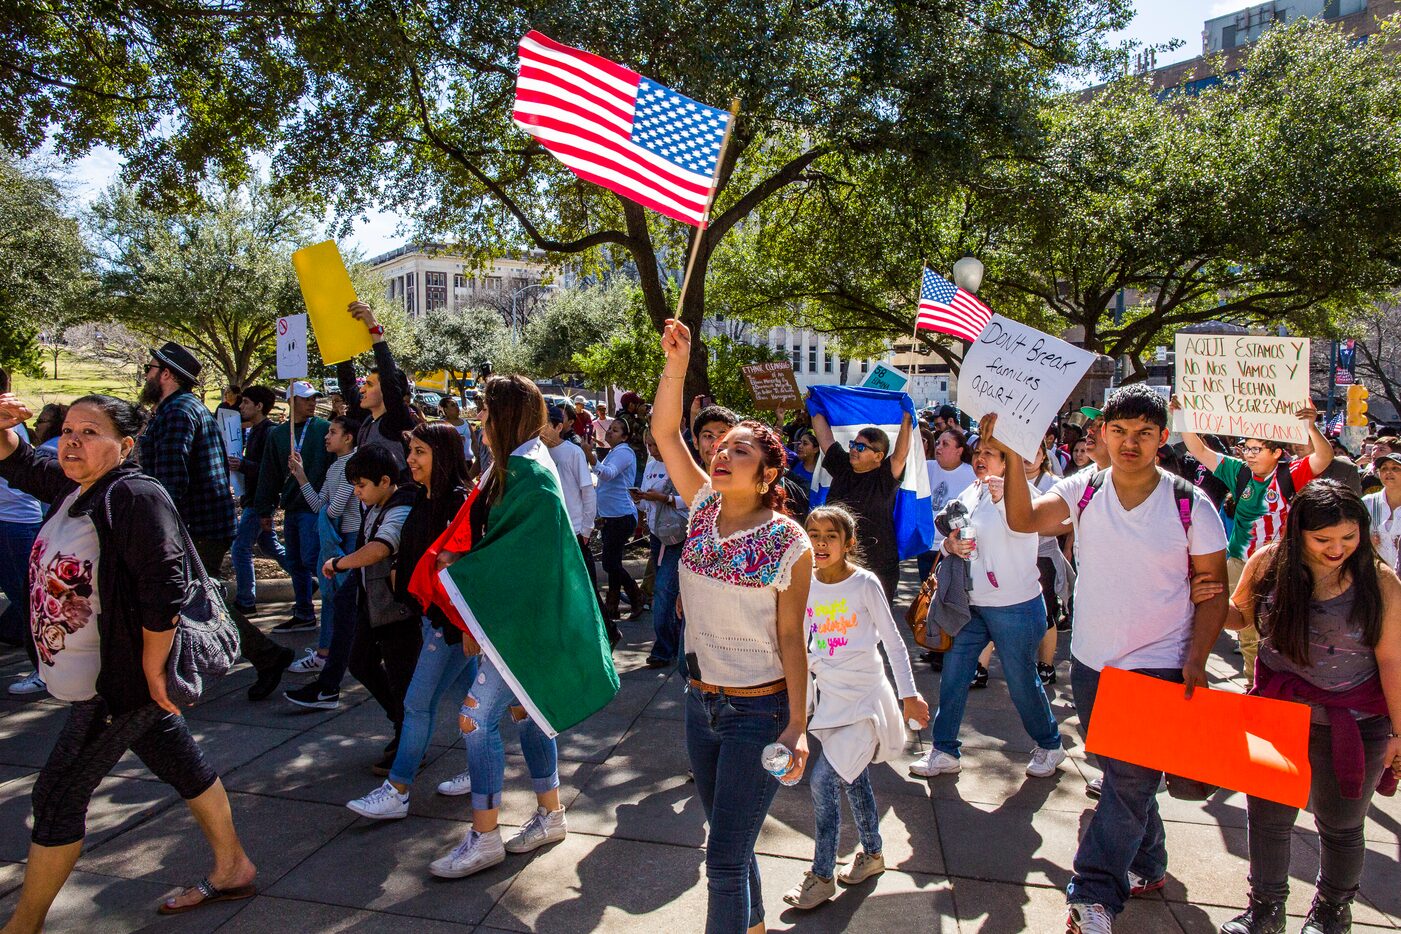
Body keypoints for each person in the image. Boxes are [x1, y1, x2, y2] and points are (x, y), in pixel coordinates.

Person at [0, 393, 256, 928]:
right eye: (68, 429)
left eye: (91, 432)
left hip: (121, 684)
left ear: (127, 445)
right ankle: (233, 866)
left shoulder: (134, 495)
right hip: (108, 679)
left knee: (56, 797)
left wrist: (151, 671)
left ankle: (22, 925)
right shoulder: (80, 488)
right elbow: (21, 463)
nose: (73, 440)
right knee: (177, 760)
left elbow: (164, 587)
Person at [994, 385, 1230, 934]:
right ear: (1102, 434)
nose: (1130, 442)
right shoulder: (1084, 488)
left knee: (1125, 785)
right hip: (1092, 662)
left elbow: (1213, 590)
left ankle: (1094, 895)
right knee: (1126, 775)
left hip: (1159, 666)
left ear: (1161, 438)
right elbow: (1024, 520)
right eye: (1119, 431)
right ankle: (1147, 865)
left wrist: (1196, 660)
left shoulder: (1190, 503)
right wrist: (1009, 455)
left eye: (1143, 433)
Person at [652, 319, 813, 934]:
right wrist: (677, 362)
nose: (721, 453)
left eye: (739, 449)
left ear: (768, 474)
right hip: (700, 706)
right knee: (731, 839)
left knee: (721, 858)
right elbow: (666, 431)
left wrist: (798, 725)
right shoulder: (699, 507)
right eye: (721, 447)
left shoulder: (786, 540)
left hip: (760, 715)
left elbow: (792, 638)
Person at [1210, 481, 1401, 934]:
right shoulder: (1269, 563)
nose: (1338, 549)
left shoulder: (1381, 581)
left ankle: (1333, 911)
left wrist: (1398, 731)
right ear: (1300, 533)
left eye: (1349, 537)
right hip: (1277, 714)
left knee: (1340, 824)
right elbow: (1241, 618)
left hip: (1356, 724)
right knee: (1268, 818)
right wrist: (1210, 595)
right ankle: (1264, 911)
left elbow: (1392, 658)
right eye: (1323, 540)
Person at [427, 375, 585, 879]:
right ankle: (550, 814)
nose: (479, 418)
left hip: (520, 620)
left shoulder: (528, 472)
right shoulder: (521, 466)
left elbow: (518, 557)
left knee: (476, 719)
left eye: (486, 410)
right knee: (527, 712)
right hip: (521, 618)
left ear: (506, 416)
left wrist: (467, 586)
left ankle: (485, 835)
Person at [782, 505, 929, 910]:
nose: (821, 542)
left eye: (831, 535)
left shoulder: (864, 584)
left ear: (848, 543)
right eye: (813, 534)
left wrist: (909, 695)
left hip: (866, 703)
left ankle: (822, 875)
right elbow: (796, 639)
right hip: (829, 701)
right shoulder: (803, 582)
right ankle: (874, 853)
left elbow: (894, 642)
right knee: (853, 778)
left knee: (823, 781)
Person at [137, 342, 293, 701]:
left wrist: (159, 530)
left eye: (151, 367)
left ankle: (263, 656)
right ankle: (266, 656)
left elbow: (171, 479)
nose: (146, 373)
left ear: (167, 374)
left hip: (195, 528)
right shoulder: (179, 409)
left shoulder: (178, 412)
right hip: (199, 525)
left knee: (195, 602)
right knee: (196, 600)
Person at [909, 435, 1066, 780]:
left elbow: (1025, 524)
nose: (980, 458)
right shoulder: (973, 490)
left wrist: (1002, 501)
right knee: (953, 674)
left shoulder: (1025, 495)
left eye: (990, 454)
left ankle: (1050, 743)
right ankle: (944, 749)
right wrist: (951, 544)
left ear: (1008, 461)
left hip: (1016, 608)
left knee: (1021, 680)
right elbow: (953, 535)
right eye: (978, 452)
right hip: (973, 605)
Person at [345, 423, 472, 818]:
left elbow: (463, 567)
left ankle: (397, 789)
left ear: (442, 455)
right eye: (411, 450)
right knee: (473, 706)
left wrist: (466, 627)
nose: (411, 460)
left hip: (449, 623)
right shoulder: (420, 497)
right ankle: (481, 769)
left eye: (420, 452)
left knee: (417, 704)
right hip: (432, 617)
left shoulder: (456, 501)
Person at [1178, 399, 1331, 689]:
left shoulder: (1290, 474)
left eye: (1256, 449)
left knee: (1272, 627)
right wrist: (1181, 417)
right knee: (1242, 627)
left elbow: (1323, 457)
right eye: (1246, 448)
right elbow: (1198, 450)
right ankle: (1252, 683)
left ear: (1276, 452)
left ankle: (1269, 683)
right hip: (1238, 562)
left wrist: (1311, 428)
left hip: (1278, 565)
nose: (1249, 454)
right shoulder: (1238, 471)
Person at [285, 447, 416, 765]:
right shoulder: (375, 504)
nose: (357, 492)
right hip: (371, 602)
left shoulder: (399, 509)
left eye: (361, 485)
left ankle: (408, 740)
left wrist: (341, 563)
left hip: (396, 610)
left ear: (385, 481)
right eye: (354, 485)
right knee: (359, 661)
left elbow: (380, 548)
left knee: (401, 679)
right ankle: (402, 725)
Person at [811, 408, 914, 602]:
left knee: (876, 624)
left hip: (878, 565)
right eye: (853, 444)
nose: (853, 450)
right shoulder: (843, 466)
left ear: (878, 456)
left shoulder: (884, 476)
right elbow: (825, 440)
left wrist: (907, 419)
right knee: (837, 619)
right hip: (838, 563)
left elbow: (900, 455)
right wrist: (814, 406)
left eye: (861, 447)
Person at [252, 381, 329, 636]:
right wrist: (265, 509)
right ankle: (304, 612)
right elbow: (269, 473)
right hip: (292, 508)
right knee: (295, 561)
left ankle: (331, 613)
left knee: (312, 559)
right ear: (291, 401)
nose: (312, 402)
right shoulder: (278, 434)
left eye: (314, 398)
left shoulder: (324, 430)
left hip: (316, 508)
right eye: (306, 398)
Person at [285, 413, 360, 674]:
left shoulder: (354, 463)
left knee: (340, 597)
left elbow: (335, 508)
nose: (327, 437)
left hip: (351, 537)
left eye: (333, 432)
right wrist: (301, 476)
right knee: (331, 595)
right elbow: (319, 505)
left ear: (348, 438)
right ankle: (327, 651)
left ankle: (331, 652)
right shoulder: (335, 467)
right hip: (338, 539)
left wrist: (327, 508)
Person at [0, 368, 47, 696]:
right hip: (11, 523)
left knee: (28, 603)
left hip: (13, 524)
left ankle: (47, 671)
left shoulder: (8, 425)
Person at [227, 386, 292, 614]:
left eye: (245, 402)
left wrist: (243, 465)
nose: (241, 406)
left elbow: (271, 471)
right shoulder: (255, 430)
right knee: (268, 545)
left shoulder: (269, 432)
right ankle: (306, 579)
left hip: (260, 501)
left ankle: (246, 600)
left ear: (259, 406)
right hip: (253, 499)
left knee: (240, 548)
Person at [336, 302, 417, 473]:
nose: (362, 389)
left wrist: (374, 329)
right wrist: (342, 345)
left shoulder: (396, 420)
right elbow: (347, 384)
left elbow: (388, 377)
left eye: (370, 384)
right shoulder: (367, 416)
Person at [633, 428, 687, 669]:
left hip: (677, 536)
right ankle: (671, 642)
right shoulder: (652, 465)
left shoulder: (681, 463)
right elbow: (647, 503)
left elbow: (694, 497)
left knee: (664, 588)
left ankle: (664, 648)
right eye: (649, 446)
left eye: (657, 445)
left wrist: (665, 499)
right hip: (657, 534)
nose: (653, 451)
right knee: (666, 591)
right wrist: (640, 499)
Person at [541, 405, 601, 613]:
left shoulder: (572, 452)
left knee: (585, 589)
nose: (540, 430)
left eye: (545, 425)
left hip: (574, 531)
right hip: (549, 532)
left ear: (558, 427)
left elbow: (588, 491)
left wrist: (586, 528)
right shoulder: (538, 454)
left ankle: (605, 630)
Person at [594, 416, 642, 632]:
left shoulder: (623, 452)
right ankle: (612, 604)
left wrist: (590, 459)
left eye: (615, 430)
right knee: (612, 561)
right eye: (609, 429)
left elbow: (608, 474)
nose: (610, 432)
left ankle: (635, 594)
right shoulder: (613, 452)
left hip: (621, 515)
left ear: (625, 436)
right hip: (610, 516)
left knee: (609, 563)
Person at [920, 426, 976, 583]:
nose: (938, 447)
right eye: (937, 443)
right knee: (927, 597)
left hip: (954, 548)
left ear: (959, 451)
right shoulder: (927, 467)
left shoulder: (971, 473)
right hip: (927, 547)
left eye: (945, 444)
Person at [1364, 453, 1401, 574]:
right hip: (1376, 576)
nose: (1388, 472)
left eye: (1395, 468)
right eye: (1384, 468)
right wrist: (1367, 541)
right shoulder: (1367, 503)